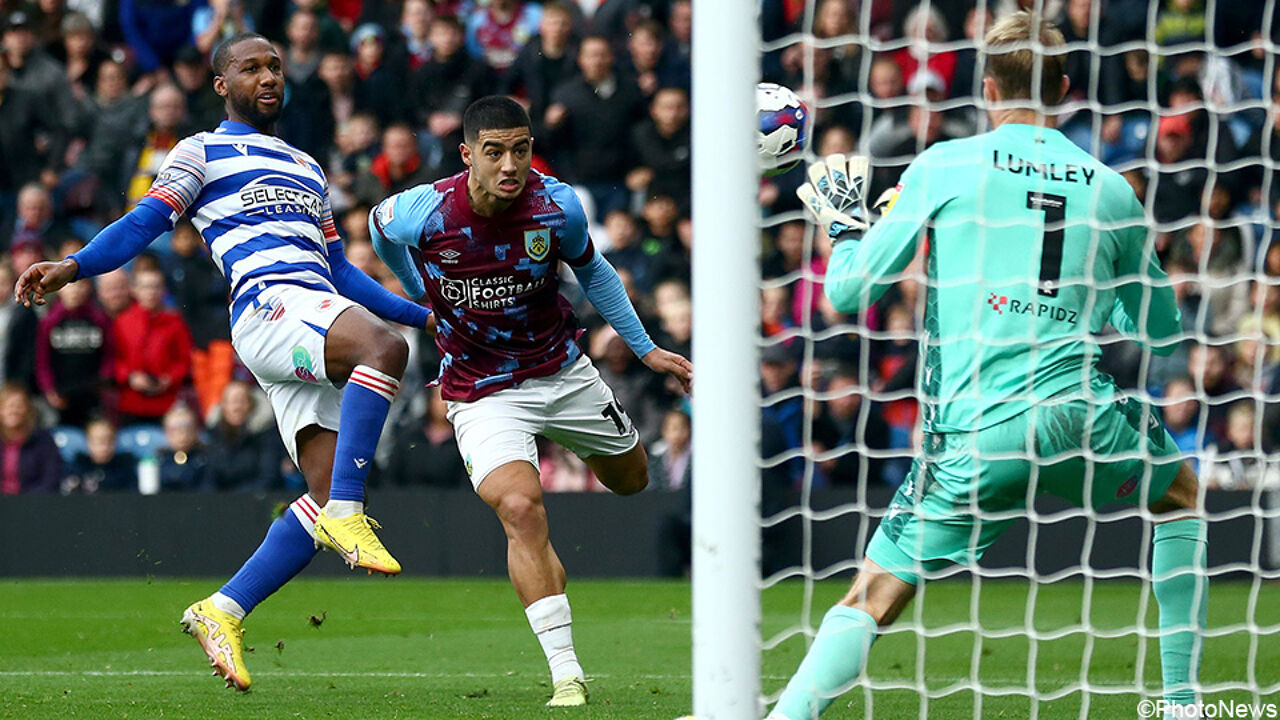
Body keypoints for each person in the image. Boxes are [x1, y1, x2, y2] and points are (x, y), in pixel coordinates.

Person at [770, 13, 1205, 719]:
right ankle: (1182, 704)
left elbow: (848, 292)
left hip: (977, 434)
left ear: (985, 86)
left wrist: (847, 225)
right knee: (1180, 495)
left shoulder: (946, 162)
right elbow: (1161, 328)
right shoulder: (1110, 187)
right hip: (1081, 417)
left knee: (875, 593)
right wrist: (1105, 299)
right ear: (1065, 86)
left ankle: (786, 717)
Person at [14, 33, 432, 692]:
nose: (267, 76)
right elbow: (143, 222)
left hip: (315, 311)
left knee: (325, 490)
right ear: (221, 85)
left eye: (274, 66)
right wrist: (75, 265)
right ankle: (349, 514)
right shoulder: (200, 150)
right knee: (382, 350)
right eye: (250, 68)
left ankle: (221, 609)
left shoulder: (306, 165)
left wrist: (426, 314)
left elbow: (343, 272)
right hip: (269, 307)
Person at [370, 96, 692, 708]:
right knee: (521, 507)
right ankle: (567, 673)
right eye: (494, 152)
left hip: (563, 371)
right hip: (480, 388)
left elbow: (593, 271)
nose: (510, 164)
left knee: (632, 480)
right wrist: (419, 291)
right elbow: (381, 233)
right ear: (468, 155)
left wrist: (645, 348)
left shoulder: (557, 205)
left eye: (520, 149)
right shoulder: (424, 210)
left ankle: (544, 560)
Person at [0, 382, 62, 494]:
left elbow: (51, 480)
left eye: (18, 406)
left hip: (33, 505)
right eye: (8, 406)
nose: (13, 411)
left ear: (27, 409)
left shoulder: (44, 440)